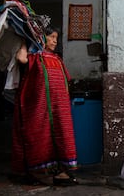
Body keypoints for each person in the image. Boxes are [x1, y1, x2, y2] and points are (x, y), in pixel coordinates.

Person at [11, 26, 78, 186]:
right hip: (39, 109)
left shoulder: (57, 59)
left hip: (59, 110)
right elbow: (21, 58)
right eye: (52, 37)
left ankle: (60, 173)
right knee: (39, 138)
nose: (55, 41)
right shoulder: (34, 57)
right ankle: (36, 174)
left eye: (56, 37)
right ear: (42, 38)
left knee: (61, 139)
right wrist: (25, 37)